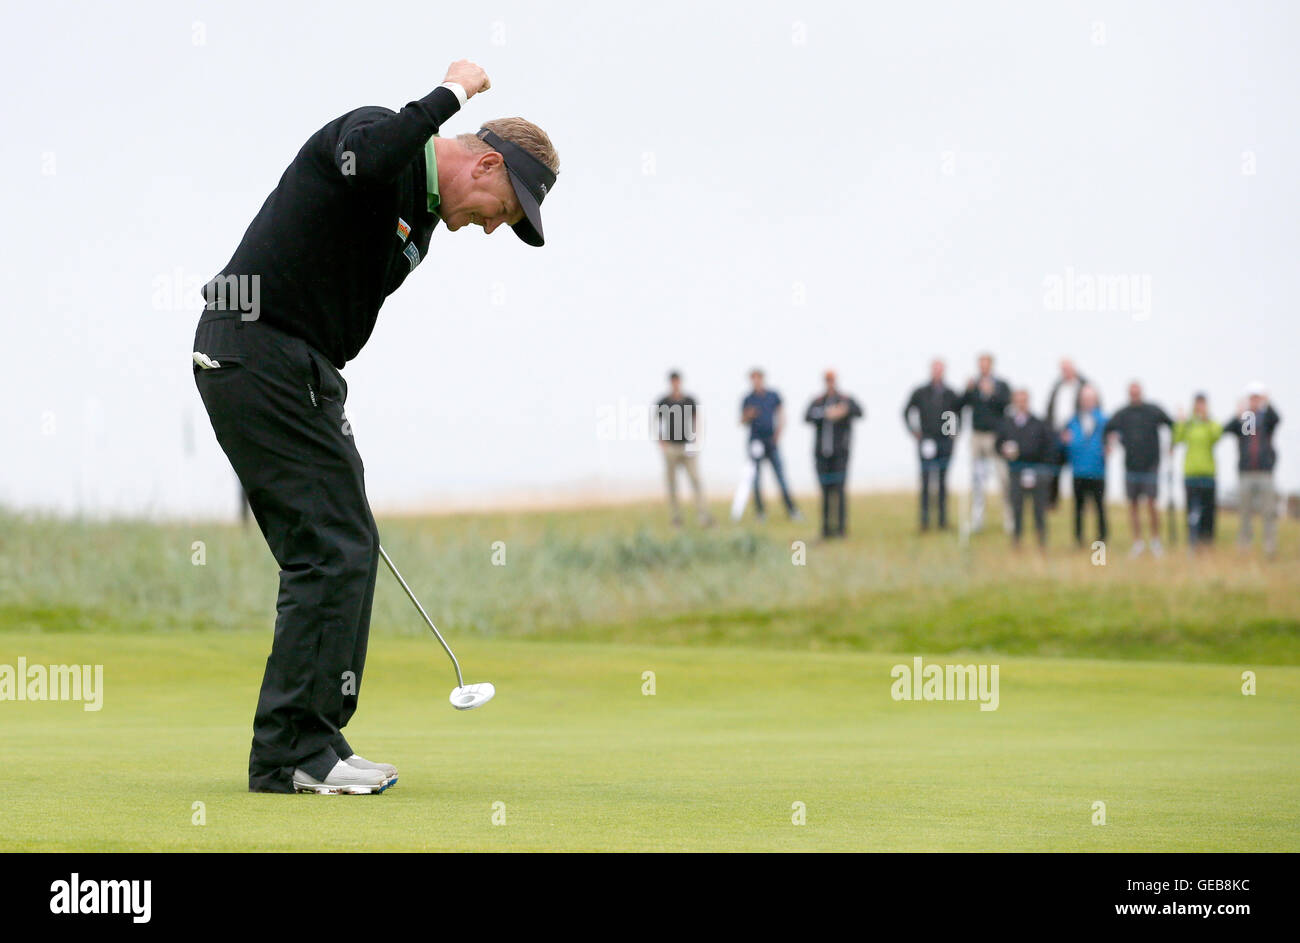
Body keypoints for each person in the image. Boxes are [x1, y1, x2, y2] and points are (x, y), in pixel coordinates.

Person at [192, 60, 560, 794]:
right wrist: (450, 93)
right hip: (250, 342)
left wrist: (323, 388)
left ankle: (317, 737)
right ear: (484, 162)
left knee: (349, 540)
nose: (492, 227)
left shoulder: (421, 216)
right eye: (502, 208)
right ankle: (291, 751)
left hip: (299, 368)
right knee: (329, 545)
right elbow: (372, 163)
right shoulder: (370, 139)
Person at [1105, 382, 1173, 558]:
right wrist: (1108, 444)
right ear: (1129, 394)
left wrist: (1172, 445)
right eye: (1131, 393)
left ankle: (1156, 541)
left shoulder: (1153, 410)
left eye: (1137, 392)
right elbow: (1107, 429)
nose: (1134, 395)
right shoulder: (1122, 413)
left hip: (1151, 465)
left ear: (1141, 393)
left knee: (1151, 503)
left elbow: (1172, 424)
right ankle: (1137, 543)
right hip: (1130, 466)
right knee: (1133, 505)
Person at [1223, 383, 1282, 557]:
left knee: (1268, 511)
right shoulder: (1246, 420)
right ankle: (1244, 547)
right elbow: (1228, 429)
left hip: (1265, 473)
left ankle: (1269, 548)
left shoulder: (1267, 418)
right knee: (1245, 512)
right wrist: (1238, 414)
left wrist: (1268, 403)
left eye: (1258, 397)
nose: (1255, 401)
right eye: (1252, 397)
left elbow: (1277, 419)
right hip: (1246, 472)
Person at [903, 359, 963, 531]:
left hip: (944, 441)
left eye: (940, 369)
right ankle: (925, 522)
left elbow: (957, 413)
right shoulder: (921, 392)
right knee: (926, 482)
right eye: (935, 369)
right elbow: (907, 410)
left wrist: (953, 433)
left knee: (943, 482)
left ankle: (943, 521)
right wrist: (914, 431)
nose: (938, 372)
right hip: (926, 440)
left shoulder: (950, 393)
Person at [994, 389, 1057, 548]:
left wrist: (1045, 469)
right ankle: (1016, 542)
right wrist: (1004, 450)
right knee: (1017, 508)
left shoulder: (1039, 423)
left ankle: (1041, 542)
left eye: (1024, 400)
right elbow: (997, 444)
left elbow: (1049, 445)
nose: (1021, 403)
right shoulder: (1007, 423)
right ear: (1014, 402)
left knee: (1038, 510)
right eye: (1018, 400)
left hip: (1037, 471)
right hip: (1016, 471)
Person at [805, 370, 864, 538]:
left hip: (840, 455)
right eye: (827, 380)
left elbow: (859, 411)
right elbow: (807, 416)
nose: (830, 383)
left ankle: (841, 529)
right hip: (822, 455)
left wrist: (843, 411)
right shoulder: (818, 401)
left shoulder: (845, 399)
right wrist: (825, 414)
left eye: (832, 380)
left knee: (840, 491)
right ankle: (825, 530)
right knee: (824, 492)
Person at [740, 369, 802, 522]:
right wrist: (748, 415)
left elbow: (781, 414)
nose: (756, 381)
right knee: (755, 479)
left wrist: (778, 433)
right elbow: (741, 421)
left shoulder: (773, 396)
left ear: (762, 379)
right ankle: (760, 513)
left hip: (771, 442)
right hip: (755, 443)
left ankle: (792, 510)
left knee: (781, 477)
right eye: (753, 379)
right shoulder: (748, 399)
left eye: (758, 378)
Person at [962, 353, 1013, 533]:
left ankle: (1009, 519)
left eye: (986, 364)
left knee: (1003, 478)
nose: (983, 367)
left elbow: (1007, 405)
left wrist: (991, 393)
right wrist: (968, 390)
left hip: (995, 437)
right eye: (980, 364)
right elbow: (962, 404)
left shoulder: (1001, 385)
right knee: (977, 480)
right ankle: (977, 520)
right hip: (977, 436)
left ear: (991, 365)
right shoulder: (973, 385)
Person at [656, 370, 713, 527]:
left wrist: (696, 438)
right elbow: (657, 423)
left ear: (680, 382)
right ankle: (676, 518)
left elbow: (696, 419)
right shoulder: (663, 402)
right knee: (672, 483)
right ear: (670, 383)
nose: (675, 384)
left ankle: (703, 515)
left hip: (687, 445)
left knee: (695, 480)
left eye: (677, 381)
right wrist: (661, 441)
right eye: (673, 381)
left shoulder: (689, 400)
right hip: (671, 447)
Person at [1173, 393, 1222, 549]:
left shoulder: (1211, 423)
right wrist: (1180, 421)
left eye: (1202, 404)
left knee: (1208, 511)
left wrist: (1206, 419)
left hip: (1208, 474)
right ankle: (1192, 540)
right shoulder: (1188, 425)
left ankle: (1207, 541)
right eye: (1197, 404)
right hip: (1190, 474)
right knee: (1192, 512)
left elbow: (1217, 436)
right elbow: (1177, 438)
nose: (1199, 408)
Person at [1061, 384, 1108, 547]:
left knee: (1099, 507)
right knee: (1078, 508)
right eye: (1085, 398)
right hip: (1078, 471)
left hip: (1098, 472)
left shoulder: (1103, 420)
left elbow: (1111, 442)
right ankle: (1078, 540)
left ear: (1096, 400)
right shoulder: (1072, 420)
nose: (1087, 401)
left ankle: (1101, 541)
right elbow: (1063, 442)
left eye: (1090, 398)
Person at [1045, 358, 1091, 509]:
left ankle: (1083, 503)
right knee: (1053, 470)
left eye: (1067, 369)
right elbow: (1050, 410)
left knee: (1081, 471)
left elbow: (1091, 411)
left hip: (1077, 435)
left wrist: (1076, 432)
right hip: (1057, 435)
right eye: (1063, 369)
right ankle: (1052, 502)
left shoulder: (1084, 385)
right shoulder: (1057, 386)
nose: (1065, 372)